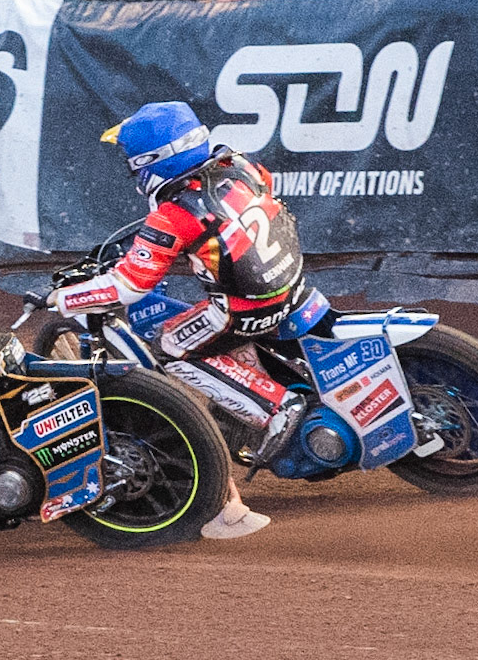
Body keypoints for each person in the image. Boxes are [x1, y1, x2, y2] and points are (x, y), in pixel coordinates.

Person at [29, 101, 321, 536]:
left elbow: (130, 286)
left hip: (243, 309)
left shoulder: (174, 214)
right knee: (212, 332)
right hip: (290, 285)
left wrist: (63, 298)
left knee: (171, 345)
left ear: (151, 162)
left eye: (132, 161)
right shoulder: (239, 166)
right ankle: (257, 388)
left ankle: (275, 406)